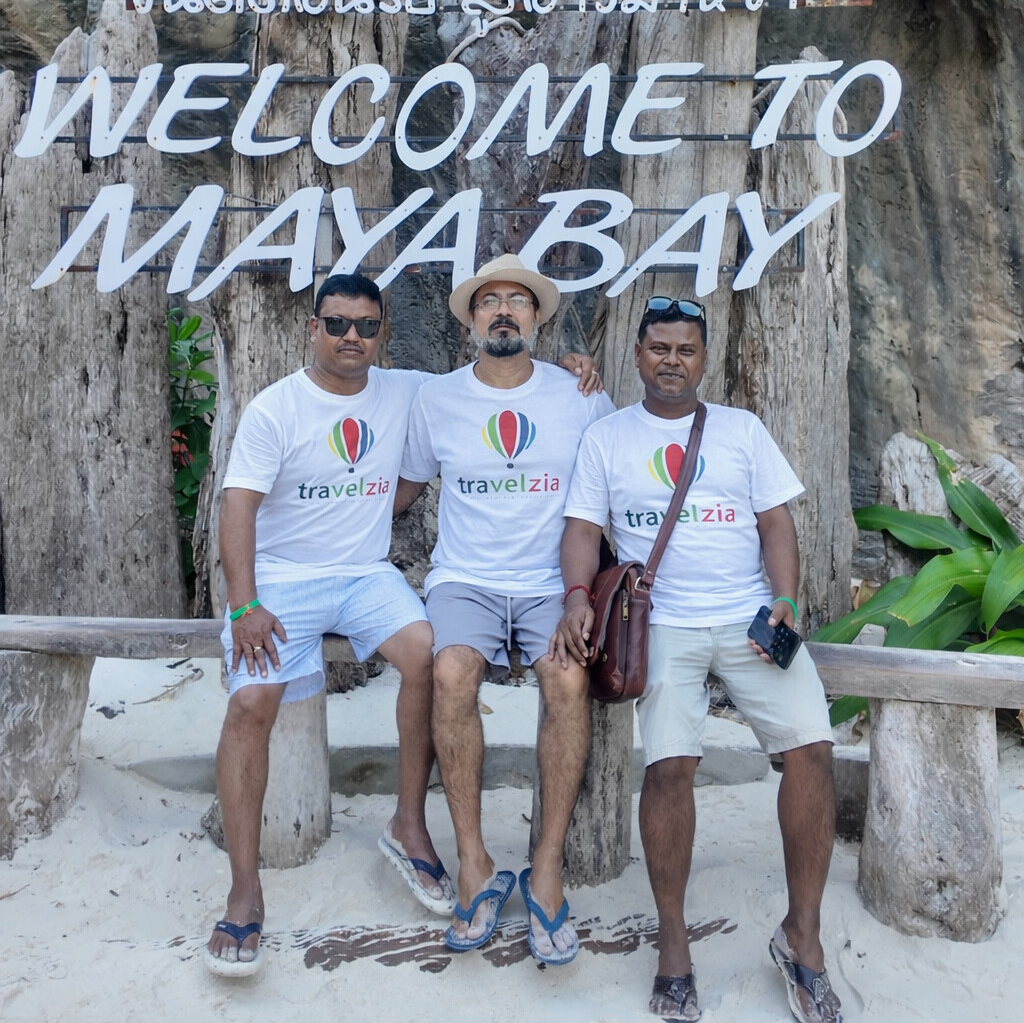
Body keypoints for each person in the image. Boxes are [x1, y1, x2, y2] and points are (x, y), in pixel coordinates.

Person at [205, 271, 600, 978]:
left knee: (426, 656)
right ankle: (244, 890)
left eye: (365, 326)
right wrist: (243, 604)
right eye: (337, 324)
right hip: (283, 582)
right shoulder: (279, 409)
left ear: (383, 334)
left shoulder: (418, 389)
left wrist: (576, 367)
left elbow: (495, 388)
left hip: (366, 575)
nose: (351, 337)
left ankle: (409, 824)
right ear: (313, 328)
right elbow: (236, 507)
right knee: (253, 700)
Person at [555, 297, 842, 1023]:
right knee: (670, 765)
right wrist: (576, 596)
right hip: (664, 623)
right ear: (639, 354)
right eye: (658, 348)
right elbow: (585, 528)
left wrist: (784, 598)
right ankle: (674, 946)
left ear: (703, 359)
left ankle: (802, 938)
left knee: (811, 749)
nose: (671, 361)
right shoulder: (609, 437)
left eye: (685, 349)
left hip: (749, 616)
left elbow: (775, 521)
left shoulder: (742, 430)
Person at [397, 254, 615, 964]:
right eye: (488, 301)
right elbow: (402, 486)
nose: (502, 311)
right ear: (469, 322)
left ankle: (546, 868)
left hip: (554, 579)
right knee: (453, 673)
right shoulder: (436, 398)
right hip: (467, 578)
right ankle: (473, 862)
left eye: (517, 302)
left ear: (536, 320)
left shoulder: (579, 394)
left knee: (566, 679)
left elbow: (615, 480)